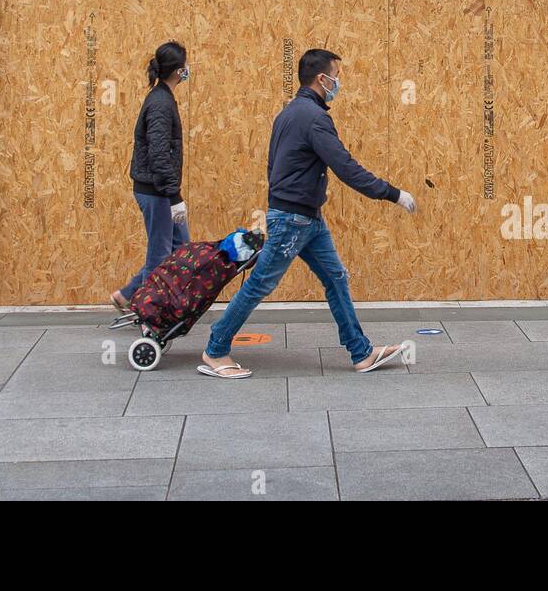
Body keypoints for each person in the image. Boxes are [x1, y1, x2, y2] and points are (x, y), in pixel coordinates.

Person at [199, 48, 416, 379]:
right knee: (259, 284)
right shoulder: (314, 119)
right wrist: (393, 194)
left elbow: (275, 165)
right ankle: (215, 350)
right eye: (336, 76)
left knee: (335, 277)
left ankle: (361, 353)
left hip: (307, 219)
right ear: (321, 79)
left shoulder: (288, 113)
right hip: (292, 220)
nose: (338, 82)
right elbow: (345, 166)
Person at [111, 40, 190, 312]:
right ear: (179, 71)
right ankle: (147, 312)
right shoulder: (160, 103)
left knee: (180, 248)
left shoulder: (163, 98)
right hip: (156, 191)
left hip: (160, 190)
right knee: (160, 254)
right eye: (186, 65)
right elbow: (158, 154)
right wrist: (174, 196)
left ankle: (126, 295)